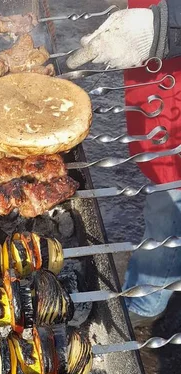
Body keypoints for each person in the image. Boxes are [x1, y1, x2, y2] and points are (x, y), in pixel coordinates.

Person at [67, 0, 181, 326]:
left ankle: (148, 301)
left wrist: (162, 25)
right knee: (165, 181)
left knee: (172, 204)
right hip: (157, 77)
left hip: (166, 55)